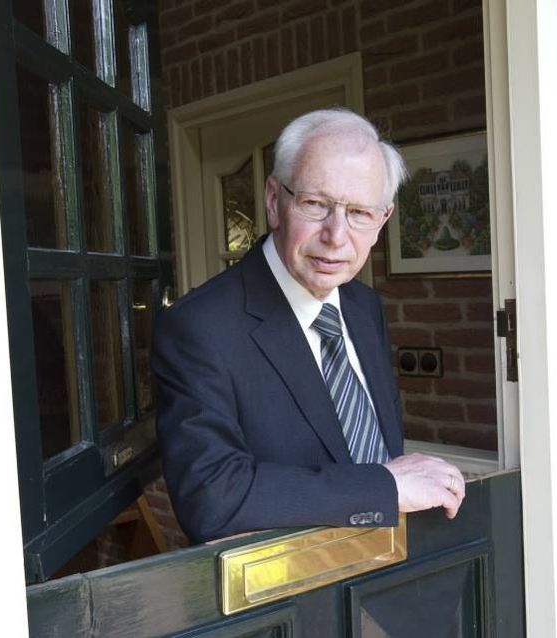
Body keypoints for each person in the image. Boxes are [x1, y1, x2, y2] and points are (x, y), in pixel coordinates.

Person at [153, 108, 466, 543]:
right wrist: (385, 487)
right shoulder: (198, 327)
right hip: (288, 600)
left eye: (359, 212)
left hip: (385, 577)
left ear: (384, 219)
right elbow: (212, 498)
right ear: (273, 200)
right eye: (316, 204)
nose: (336, 236)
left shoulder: (362, 305)